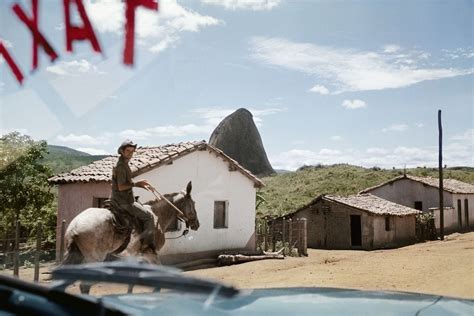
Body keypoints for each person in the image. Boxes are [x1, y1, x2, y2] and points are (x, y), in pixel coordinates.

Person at [111, 139, 156, 251]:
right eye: (128, 151)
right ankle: (146, 246)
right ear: (121, 151)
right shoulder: (121, 166)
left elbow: (127, 182)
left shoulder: (124, 164)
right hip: (124, 202)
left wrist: (140, 184)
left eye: (132, 151)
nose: (130, 154)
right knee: (149, 217)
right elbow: (121, 186)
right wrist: (137, 184)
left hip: (119, 199)